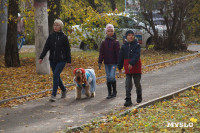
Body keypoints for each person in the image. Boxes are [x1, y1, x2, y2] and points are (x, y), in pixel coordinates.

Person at [39, 19, 71, 102]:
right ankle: (64, 90)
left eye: (57, 25)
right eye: (54, 25)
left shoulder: (64, 37)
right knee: (57, 76)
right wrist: (41, 57)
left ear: (61, 27)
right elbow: (46, 47)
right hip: (52, 60)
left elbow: (68, 50)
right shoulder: (51, 36)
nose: (55, 27)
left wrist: (69, 61)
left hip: (62, 60)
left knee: (56, 75)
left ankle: (53, 95)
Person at [118, 30, 142, 106]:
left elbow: (137, 55)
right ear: (126, 37)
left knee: (137, 83)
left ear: (134, 36)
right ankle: (128, 99)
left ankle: (139, 95)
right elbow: (121, 57)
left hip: (136, 67)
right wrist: (120, 66)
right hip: (127, 68)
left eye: (132, 35)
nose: (131, 36)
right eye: (129, 35)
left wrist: (131, 63)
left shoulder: (137, 45)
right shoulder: (124, 46)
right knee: (128, 84)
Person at [98, 24, 120, 99]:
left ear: (113, 32)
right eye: (108, 31)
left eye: (111, 31)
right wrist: (100, 61)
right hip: (107, 63)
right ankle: (109, 93)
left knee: (112, 77)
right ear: (106, 32)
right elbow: (101, 53)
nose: (110, 32)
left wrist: (119, 63)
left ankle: (114, 91)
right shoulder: (104, 42)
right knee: (108, 77)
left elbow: (118, 53)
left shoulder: (116, 42)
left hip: (113, 63)